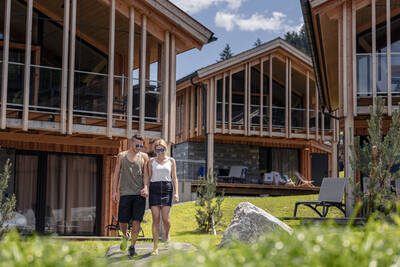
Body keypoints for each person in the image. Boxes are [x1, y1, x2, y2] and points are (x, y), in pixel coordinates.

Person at [112, 134, 149, 257]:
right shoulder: (121, 156)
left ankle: (132, 246)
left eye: (141, 145)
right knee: (123, 221)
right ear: (131, 143)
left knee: (137, 221)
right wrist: (114, 191)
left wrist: (146, 187)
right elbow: (116, 173)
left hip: (139, 194)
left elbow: (146, 175)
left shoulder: (144, 156)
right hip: (125, 193)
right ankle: (125, 236)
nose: (139, 147)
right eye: (137, 145)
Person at [142, 138, 179, 256]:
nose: (160, 152)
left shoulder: (171, 161)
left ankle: (167, 234)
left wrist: (176, 193)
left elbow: (174, 178)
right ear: (155, 150)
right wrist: (146, 187)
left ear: (165, 149)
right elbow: (147, 177)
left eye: (162, 149)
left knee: (166, 219)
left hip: (167, 189)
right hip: (155, 189)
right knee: (156, 219)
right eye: (157, 150)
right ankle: (155, 247)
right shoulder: (151, 161)